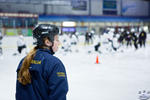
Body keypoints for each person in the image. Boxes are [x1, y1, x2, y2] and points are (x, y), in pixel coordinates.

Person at [16, 24, 69, 100]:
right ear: (48, 42)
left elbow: (19, 94)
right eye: (57, 40)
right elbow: (58, 96)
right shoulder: (55, 64)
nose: (59, 43)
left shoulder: (23, 61)